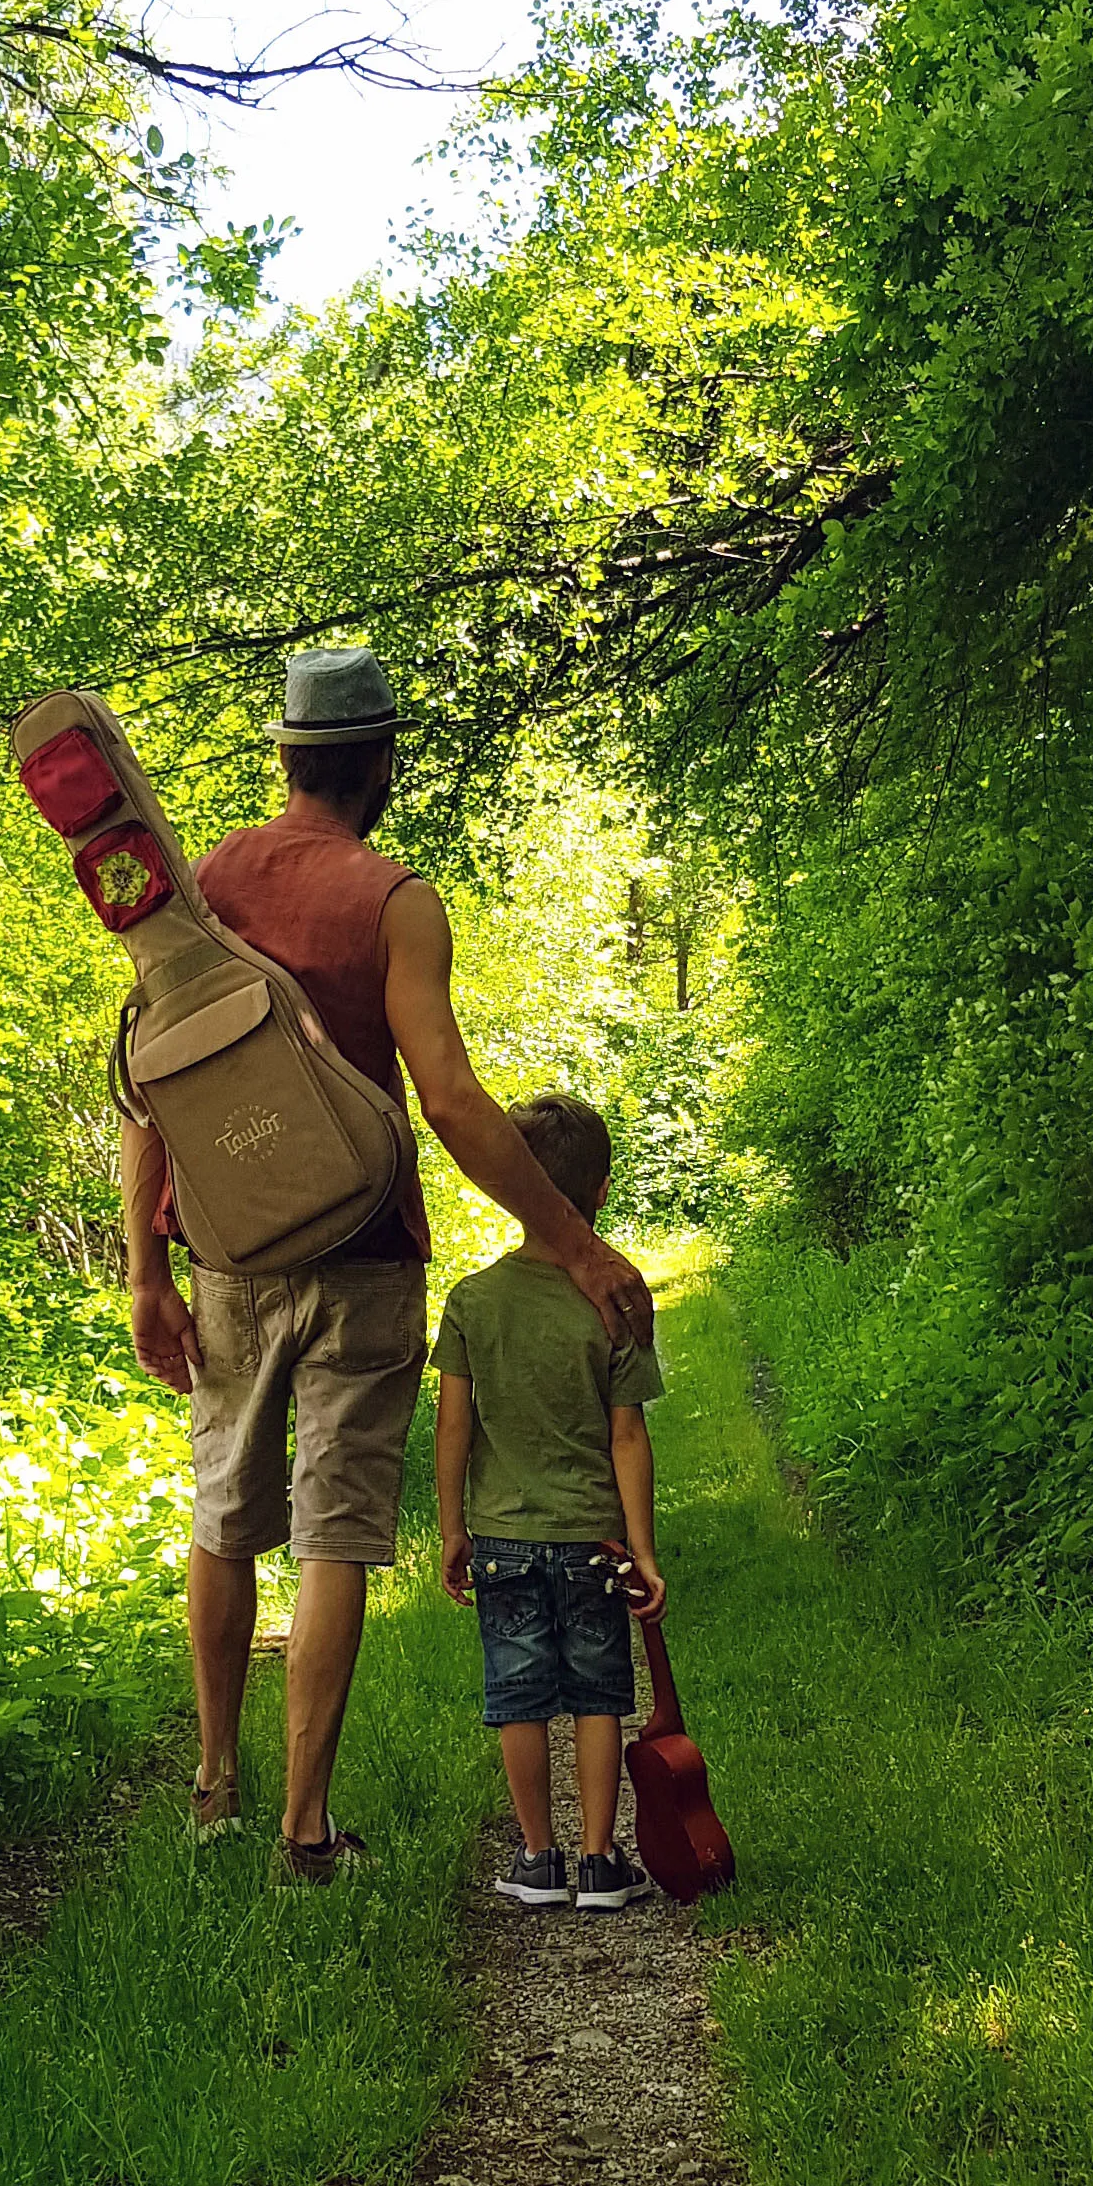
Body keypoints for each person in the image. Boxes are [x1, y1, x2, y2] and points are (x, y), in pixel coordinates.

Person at [121, 646, 653, 1879]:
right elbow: (457, 1102)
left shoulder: (199, 886)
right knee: (333, 1538)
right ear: (383, 763)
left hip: (227, 1255)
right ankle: (305, 1828)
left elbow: (149, 1089)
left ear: (290, 759)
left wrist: (148, 1267)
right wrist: (572, 1244)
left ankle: (215, 1787)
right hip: (364, 1258)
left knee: (221, 1516)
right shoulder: (395, 899)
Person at [433, 1093, 666, 1911]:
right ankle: (602, 1863)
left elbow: (454, 1427)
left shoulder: (472, 1300)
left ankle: (538, 1860)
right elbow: (627, 1436)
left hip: (501, 1536)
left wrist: (452, 1528)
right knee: (600, 1693)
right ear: (601, 1190)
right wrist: (641, 1547)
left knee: (519, 1695)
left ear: (514, 1183)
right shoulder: (616, 1298)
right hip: (593, 1542)